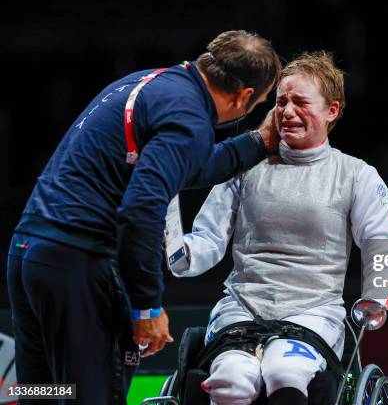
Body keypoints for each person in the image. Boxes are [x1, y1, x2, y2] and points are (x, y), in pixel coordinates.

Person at [6, 30, 281, 404]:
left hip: (30, 255)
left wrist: (254, 144)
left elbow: (182, 166)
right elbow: (140, 211)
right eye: (261, 102)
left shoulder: (152, 82)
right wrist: (147, 306)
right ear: (245, 96)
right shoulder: (188, 119)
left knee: (42, 392)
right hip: (79, 266)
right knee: (92, 396)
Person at [174, 52, 388, 405]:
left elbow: (382, 242)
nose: (287, 111)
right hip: (242, 307)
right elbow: (208, 239)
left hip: (314, 310)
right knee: (232, 379)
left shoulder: (356, 175)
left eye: (300, 102)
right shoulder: (245, 167)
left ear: (332, 111)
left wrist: (377, 297)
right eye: (281, 102)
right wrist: (179, 250)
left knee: (284, 370)